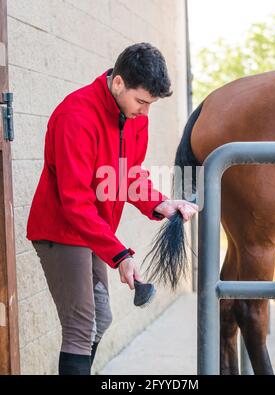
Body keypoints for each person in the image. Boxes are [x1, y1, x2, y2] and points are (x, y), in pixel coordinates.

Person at [26, 42, 198, 375]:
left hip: (92, 231)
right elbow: (75, 201)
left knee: (100, 318)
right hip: (60, 230)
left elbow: (129, 174)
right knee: (80, 325)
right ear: (118, 83)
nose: (145, 112)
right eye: (142, 102)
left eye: (151, 104)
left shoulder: (135, 118)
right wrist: (120, 255)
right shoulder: (75, 116)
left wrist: (161, 203)